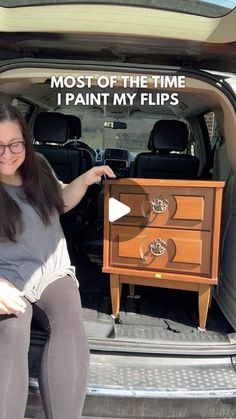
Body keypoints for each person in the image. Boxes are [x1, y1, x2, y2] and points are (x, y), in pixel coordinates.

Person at [0, 104, 115, 419]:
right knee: (12, 335)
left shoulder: (38, 164)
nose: (7, 154)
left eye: (14, 144)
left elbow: (61, 199)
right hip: (7, 278)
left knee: (70, 325)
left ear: (26, 141)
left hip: (52, 271)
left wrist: (86, 178)